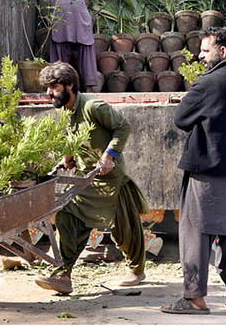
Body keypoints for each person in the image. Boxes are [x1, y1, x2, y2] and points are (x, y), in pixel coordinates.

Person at [162, 27, 226, 315]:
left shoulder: (208, 82)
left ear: (222, 51)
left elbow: (181, 118)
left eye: (205, 50)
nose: (200, 56)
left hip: (206, 172)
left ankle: (195, 299)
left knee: (194, 232)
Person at [34, 61, 149, 294]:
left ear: (70, 85)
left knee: (125, 230)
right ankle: (63, 274)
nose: (49, 93)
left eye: (54, 87)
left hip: (111, 181)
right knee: (67, 217)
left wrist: (108, 156)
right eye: (47, 87)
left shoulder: (93, 106)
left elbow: (122, 127)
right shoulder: (66, 111)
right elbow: (76, 138)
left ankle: (137, 270)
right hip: (85, 180)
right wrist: (69, 157)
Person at [39, 0, 98, 93]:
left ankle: (58, 85)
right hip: (79, 9)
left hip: (60, 9)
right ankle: (90, 88)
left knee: (59, 46)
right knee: (86, 46)